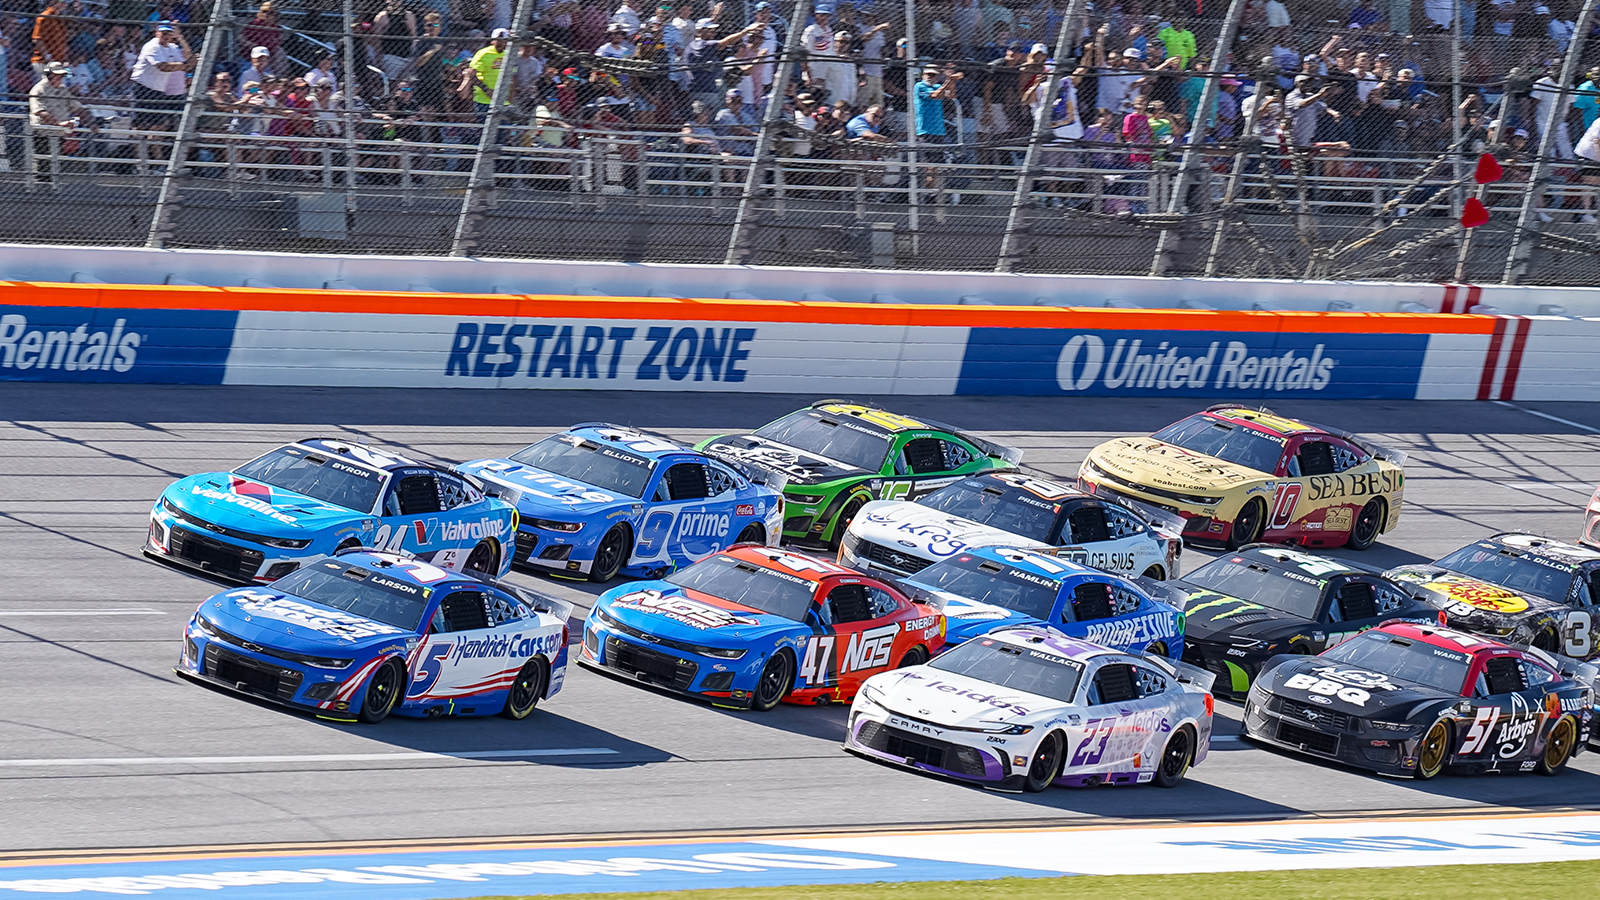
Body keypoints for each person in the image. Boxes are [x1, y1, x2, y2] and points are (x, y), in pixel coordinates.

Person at [30, 61, 91, 175]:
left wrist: (91, 122)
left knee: (57, 167)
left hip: (58, 134)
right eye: (57, 75)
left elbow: (76, 107)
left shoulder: (63, 90)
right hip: (42, 134)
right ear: (49, 75)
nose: (60, 78)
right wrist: (59, 124)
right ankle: (40, 188)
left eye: (61, 75)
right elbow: (41, 112)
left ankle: (53, 189)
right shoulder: (39, 89)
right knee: (43, 168)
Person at [131, 23, 191, 131]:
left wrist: (180, 38)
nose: (166, 36)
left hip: (158, 89)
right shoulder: (152, 46)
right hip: (143, 88)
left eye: (169, 33)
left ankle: (152, 147)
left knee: (159, 124)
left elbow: (187, 58)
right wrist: (185, 66)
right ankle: (138, 146)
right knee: (141, 123)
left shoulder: (172, 47)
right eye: (164, 33)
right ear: (157, 33)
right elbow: (163, 66)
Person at [465, 28, 510, 113]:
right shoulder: (484, 53)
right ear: (492, 40)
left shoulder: (509, 54)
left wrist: (511, 95)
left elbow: (512, 75)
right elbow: (472, 74)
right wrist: (487, 90)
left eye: (504, 40)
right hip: (485, 101)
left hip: (504, 101)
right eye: (499, 40)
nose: (502, 43)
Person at [373, 0, 419, 83]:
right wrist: (378, 58)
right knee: (391, 82)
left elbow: (414, 36)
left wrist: (413, 56)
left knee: (407, 83)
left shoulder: (409, 16)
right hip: (390, 56)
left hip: (407, 56)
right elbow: (376, 40)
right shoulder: (382, 16)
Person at [713, 87, 759, 154]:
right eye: (733, 101)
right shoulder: (723, 114)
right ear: (727, 102)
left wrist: (758, 135)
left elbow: (756, 130)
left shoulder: (745, 115)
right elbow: (739, 131)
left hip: (746, 151)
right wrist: (760, 136)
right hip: (729, 151)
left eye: (739, 101)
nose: (737, 104)